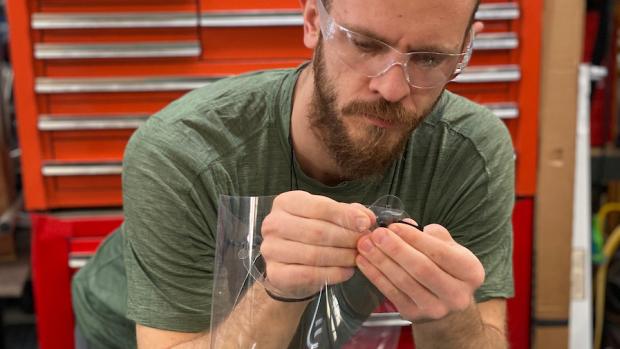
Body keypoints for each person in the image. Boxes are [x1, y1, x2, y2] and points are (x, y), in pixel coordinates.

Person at [72, 0, 515, 347]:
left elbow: (482, 338)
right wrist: (280, 291)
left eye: (431, 58)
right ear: (311, 21)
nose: (392, 88)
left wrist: (451, 314)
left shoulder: (469, 153)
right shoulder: (182, 151)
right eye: (364, 44)